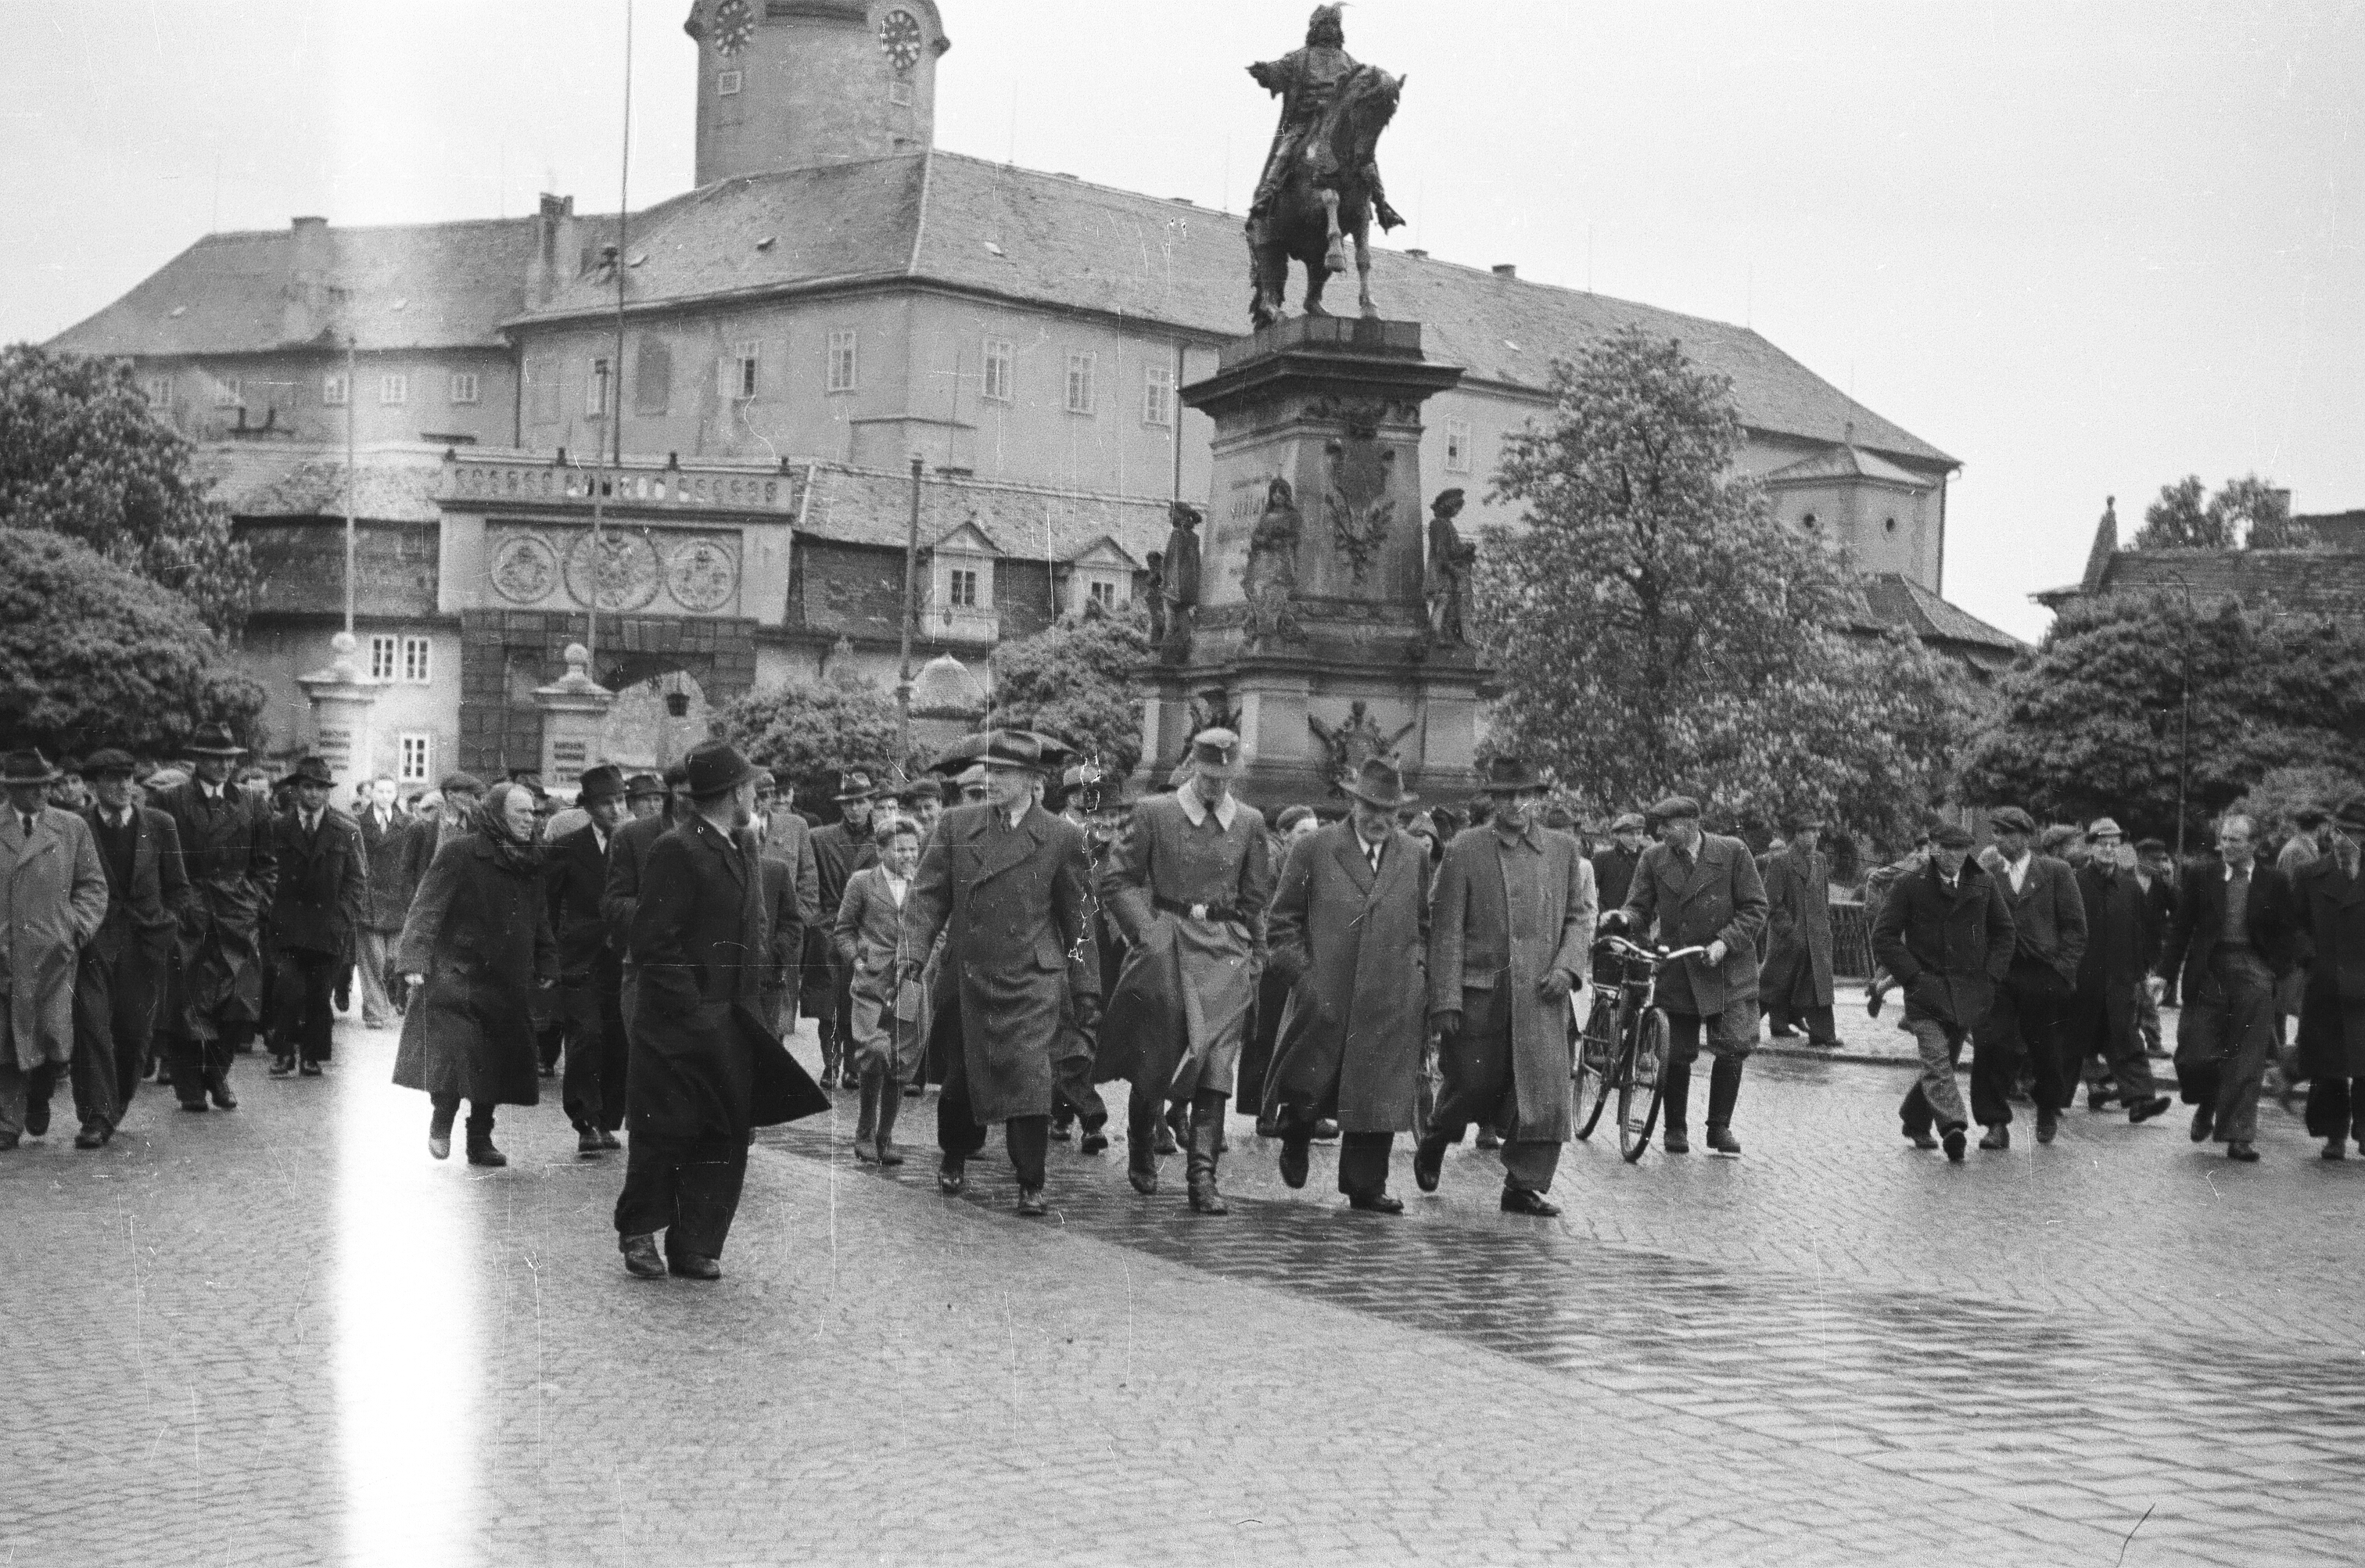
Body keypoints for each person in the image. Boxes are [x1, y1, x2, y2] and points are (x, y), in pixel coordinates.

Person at [618, 742, 827, 1278]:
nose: (756, 796)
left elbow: (752, 926)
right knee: (666, 1129)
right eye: (752, 787)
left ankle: (695, 1243)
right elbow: (653, 941)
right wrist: (692, 1007)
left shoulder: (740, 847)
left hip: (733, 1018)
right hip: (677, 1023)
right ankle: (639, 1231)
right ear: (734, 793)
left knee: (725, 1131)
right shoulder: (677, 847)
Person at [899, 732, 1099, 1215]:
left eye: (1004, 773)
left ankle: (1031, 1180)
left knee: (1030, 1076)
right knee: (962, 1077)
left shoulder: (1061, 836)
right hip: (968, 973)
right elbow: (927, 897)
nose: (991, 780)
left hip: (1031, 978)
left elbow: (1079, 918)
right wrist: (913, 955)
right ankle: (955, 1155)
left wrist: (1086, 987)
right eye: (988, 770)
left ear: (1032, 780)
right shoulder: (956, 824)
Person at [1099, 728, 1273, 1214]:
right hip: (1168, 945)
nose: (1217, 785)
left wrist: (1257, 955)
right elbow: (1118, 880)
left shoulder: (1250, 822)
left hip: (1225, 954)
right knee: (1159, 1054)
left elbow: (1255, 899)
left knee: (1216, 1063)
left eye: (1226, 776)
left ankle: (1202, 1177)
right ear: (1193, 767)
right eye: (1210, 774)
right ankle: (1141, 1140)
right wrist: (1147, 933)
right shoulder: (1155, 812)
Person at [1414, 756, 1594, 1212]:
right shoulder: (1465, 849)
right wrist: (1445, 999)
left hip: (1542, 994)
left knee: (1545, 1093)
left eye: (1523, 795)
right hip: (1482, 995)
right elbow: (1447, 928)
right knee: (1471, 1085)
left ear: (1536, 799)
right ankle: (1437, 1134)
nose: (1515, 804)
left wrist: (1568, 967)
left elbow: (1578, 917)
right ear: (1493, 800)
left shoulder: (1562, 849)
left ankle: (1523, 1185)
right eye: (1506, 796)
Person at [1263, 759, 1429, 1212]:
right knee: (1310, 1081)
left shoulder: (1414, 854)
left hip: (1389, 997)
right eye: (1371, 807)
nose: (1380, 818)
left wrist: (1417, 978)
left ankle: (1366, 1184)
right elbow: (1282, 923)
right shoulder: (1314, 848)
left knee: (1377, 1089)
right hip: (1325, 993)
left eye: (1389, 810)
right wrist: (1305, 979)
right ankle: (1296, 1134)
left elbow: (1423, 925)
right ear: (1354, 804)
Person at [393, 781, 557, 1166]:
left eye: (533, 813)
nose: (530, 820)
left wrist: (547, 959)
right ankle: (442, 1116)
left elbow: (540, 917)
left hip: (507, 978)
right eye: (521, 813)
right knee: (455, 1054)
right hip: (458, 974)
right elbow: (427, 907)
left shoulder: (531, 860)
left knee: (495, 1061)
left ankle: (480, 1138)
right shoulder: (460, 852)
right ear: (497, 815)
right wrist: (414, 960)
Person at [1608, 795, 1767, 1157]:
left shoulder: (1733, 852)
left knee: (1733, 1045)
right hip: (1679, 967)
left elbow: (1755, 907)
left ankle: (1719, 1128)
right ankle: (1675, 1128)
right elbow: (1639, 907)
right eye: (1659, 826)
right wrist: (1622, 920)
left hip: (1727, 969)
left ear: (1692, 823)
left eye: (1667, 826)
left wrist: (1725, 942)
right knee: (1675, 1052)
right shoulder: (1654, 859)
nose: (1660, 833)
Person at [149, 723, 277, 1112]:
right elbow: (157, 861)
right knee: (188, 1002)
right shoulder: (170, 800)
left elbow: (266, 863)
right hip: (190, 912)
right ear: (197, 760)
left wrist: (256, 901)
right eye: (213, 759)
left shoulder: (252, 802)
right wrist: (175, 906)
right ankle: (190, 1086)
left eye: (229, 759)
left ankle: (218, 1072)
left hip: (237, 913)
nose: (223, 766)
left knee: (239, 1001)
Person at [63, 750, 188, 1140]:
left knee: (134, 1035)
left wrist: (168, 926)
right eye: (111, 778)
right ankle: (96, 1116)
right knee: (92, 1026)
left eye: (127, 777)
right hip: (93, 941)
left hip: (145, 943)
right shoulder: (76, 825)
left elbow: (178, 886)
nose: (122, 786)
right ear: (92, 785)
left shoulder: (160, 824)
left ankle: (113, 1105)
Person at [2160, 813, 2295, 1161]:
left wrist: (2275, 972)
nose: (2227, 846)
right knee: (2194, 1054)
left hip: (2254, 970)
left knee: (2247, 1056)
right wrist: (2164, 973)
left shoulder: (2274, 881)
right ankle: (2207, 1101)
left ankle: (2239, 1136)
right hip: (2209, 970)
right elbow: (2181, 928)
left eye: (2235, 840)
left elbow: (2287, 931)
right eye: (2224, 839)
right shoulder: (2202, 875)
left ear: (2254, 844)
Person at [1876, 821, 2014, 1161]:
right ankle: (1953, 1126)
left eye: (1961, 849)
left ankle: (1915, 1119)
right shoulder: (1909, 884)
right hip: (1924, 991)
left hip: (1968, 991)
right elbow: (1884, 935)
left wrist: (1991, 976)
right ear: (1934, 849)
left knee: (1945, 1061)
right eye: (1947, 849)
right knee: (1937, 1058)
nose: (1955, 856)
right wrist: (1912, 976)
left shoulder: (1983, 882)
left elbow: (2004, 932)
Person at [0, 751, 109, 1151]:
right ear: (11, 789)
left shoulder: (71, 827)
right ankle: (7, 1122)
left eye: (46, 785)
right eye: (32, 787)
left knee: (50, 1035)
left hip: (54, 952)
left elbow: (92, 886)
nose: (43, 793)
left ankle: (40, 1091)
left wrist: (75, 928)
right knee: (7, 1039)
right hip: (6, 953)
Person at [1975, 805, 2088, 1148]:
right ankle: (1995, 1123)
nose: (1999, 839)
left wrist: (2061, 972)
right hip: (2000, 972)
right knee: (1991, 1043)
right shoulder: (1987, 874)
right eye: (1996, 833)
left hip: (2043, 973)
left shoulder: (2056, 872)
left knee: (2046, 1048)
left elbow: (2075, 928)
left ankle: (2048, 1107)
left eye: (2007, 833)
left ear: (2026, 837)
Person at [261, 756, 366, 1078]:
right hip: (286, 924)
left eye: (320, 788)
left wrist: (342, 918)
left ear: (328, 792)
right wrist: (270, 912)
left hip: (328, 926)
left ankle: (312, 1055)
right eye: (307, 786)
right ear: (296, 790)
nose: (314, 794)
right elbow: (263, 871)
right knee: (287, 989)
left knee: (319, 993)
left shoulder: (346, 830)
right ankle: (283, 1053)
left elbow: (356, 880)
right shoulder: (278, 827)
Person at [544, 764, 630, 1156]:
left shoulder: (636, 845)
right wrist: (548, 956)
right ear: (589, 808)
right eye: (607, 803)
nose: (616, 810)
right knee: (585, 1037)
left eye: (620, 801)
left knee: (618, 1040)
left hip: (625, 960)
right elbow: (548, 906)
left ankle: (607, 1120)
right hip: (580, 959)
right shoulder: (567, 847)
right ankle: (585, 1121)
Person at [2065, 818, 2172, 1122]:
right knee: (2072, 1042)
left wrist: (2141, 972)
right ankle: (2051, 1099)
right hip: (2083, 980)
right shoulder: (2075, 883)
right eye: (2103, 844)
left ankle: (2140, 1100)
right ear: (2091, 847)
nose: (2109, 850)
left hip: (2120, 980)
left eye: (2115, 845)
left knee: (2126, 1038)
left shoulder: (2129, 887)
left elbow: (2141, 932)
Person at [838, 816, 921, 1165]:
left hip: (911, 984)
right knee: (874, 1052)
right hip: (871, 982)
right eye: (901, 849)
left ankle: (884, 1137)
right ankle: (864, 1132)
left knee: (901, 1061)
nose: (909, 856)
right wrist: (857, 961)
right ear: (881, 850)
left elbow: (940, 929)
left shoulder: (923, 883)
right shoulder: (862, 882)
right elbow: (844, 929)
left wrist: (924, 966)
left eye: (913, 849)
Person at [2291, 795, 2365, 1158]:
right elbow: (2295, 925)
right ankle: (2333, 1134)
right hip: (2326, 982)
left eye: (2354, 834)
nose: (2344, 840)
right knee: (2328, 1065)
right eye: (2340, 832)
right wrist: (2310, 958)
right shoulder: (2310, 875)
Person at [808, 769, 882, 1090]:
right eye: (849, 803)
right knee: (828, 1004)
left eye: (861, 801)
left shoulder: (883, 839)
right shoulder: (820, 838)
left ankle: (853, 1066)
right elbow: (809, 882)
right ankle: (830, 1064)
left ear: (871, 803)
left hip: (866, 929)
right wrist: (816, 920)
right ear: (841, 805)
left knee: (860, 1000)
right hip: (829, 926)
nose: (855, 808)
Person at [750, 769, 819, 1039]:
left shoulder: (795, 825)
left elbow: (808, 874)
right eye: (757, 795)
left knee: (780, 1010)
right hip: (749, 928)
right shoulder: (736, 826)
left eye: (768, 795)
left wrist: (801, 918)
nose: (762, 802)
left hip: (785, 930)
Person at [1760, 813, 1838, 1047]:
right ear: (1798, 834)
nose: (1817, 836)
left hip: (1816, 937)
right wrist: (1790, 930)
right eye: (1811, 831)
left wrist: (1825, 930)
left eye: (1817, 831)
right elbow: (1771, 902)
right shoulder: (1781, 861)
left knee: (1817, 985)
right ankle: (1741, 1027)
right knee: (1772, 986)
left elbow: (1823, 898)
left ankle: (1823, 1034)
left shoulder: (1820, 861)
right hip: (1789, 939)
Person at [352, 777, 408, 1029]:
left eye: (389, 792)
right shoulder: (358, 823)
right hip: (369, 898)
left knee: (393, 959)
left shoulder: (408, 823)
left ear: (396, 795)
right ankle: (374, 1012)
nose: (385, 796)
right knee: (371, 960)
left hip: (399, 898)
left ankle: (391, 1000)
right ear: (372, 793)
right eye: (380, 791)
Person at [2130, 838, 2178, 1051]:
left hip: (2151, 951)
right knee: (2140, 997)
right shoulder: (2124, 879)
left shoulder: (2161, 885)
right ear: (2140, 857)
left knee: (2146, 997)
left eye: (2162, 859)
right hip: (2127, 948)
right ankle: (2150, 1041)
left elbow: (2179, 910)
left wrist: (2171, 884)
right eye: (2154, 859)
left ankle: (2151, 1041)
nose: (2159, 864)